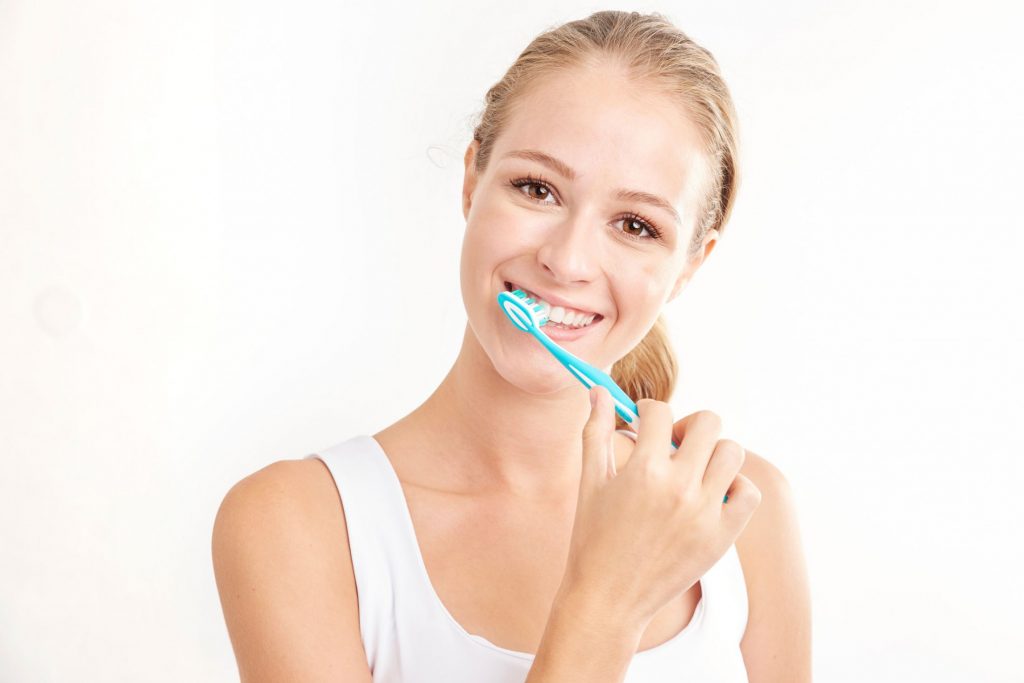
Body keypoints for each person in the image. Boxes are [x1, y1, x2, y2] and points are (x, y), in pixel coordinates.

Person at [212, 10, 811, 682]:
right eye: (537, 188)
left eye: (636, 225)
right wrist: (605, 600)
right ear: (472, 179)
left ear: (691, 265)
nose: (567, 259)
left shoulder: (743, 509)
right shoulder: (299, 524)